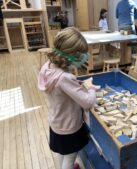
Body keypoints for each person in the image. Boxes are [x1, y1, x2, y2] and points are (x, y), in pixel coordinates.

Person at [38, 27, 97, 169]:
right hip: (69, 127)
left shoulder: (47, 67)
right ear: (71, 56)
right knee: (70, 156)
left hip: (57, 122)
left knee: (63, 153)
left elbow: (63, 89)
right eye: (82, 55)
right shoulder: (65, 78)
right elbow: (88, 102)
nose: (84, 57)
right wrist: (90, 88)